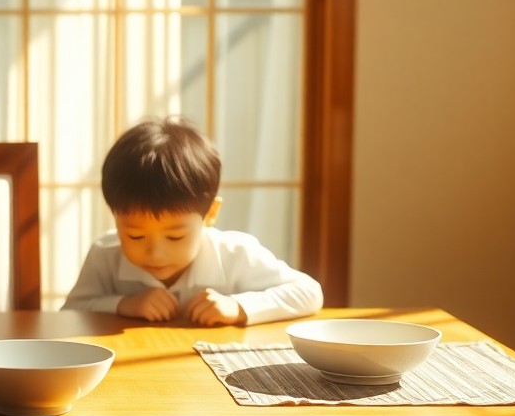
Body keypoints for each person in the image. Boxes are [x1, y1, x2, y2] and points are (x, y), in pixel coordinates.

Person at [62, 116, 323, 326]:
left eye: (175, 236)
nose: (155, 253)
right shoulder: (104, 254)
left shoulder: (234, 253)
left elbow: (309, 293)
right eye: (135, 236)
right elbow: (71, 311)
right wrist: (124, 304)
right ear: (115, 217)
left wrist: (239, 307)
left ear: (210, 213)